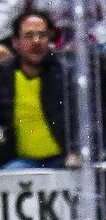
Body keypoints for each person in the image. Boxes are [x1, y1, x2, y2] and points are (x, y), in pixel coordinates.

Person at [0, 10, 69, 169]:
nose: (36, 41)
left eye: (42, 35)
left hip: (63, 160)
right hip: (21, 162)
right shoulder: (3, 76)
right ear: (15, 42)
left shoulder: (66, 73)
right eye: (29, 35)